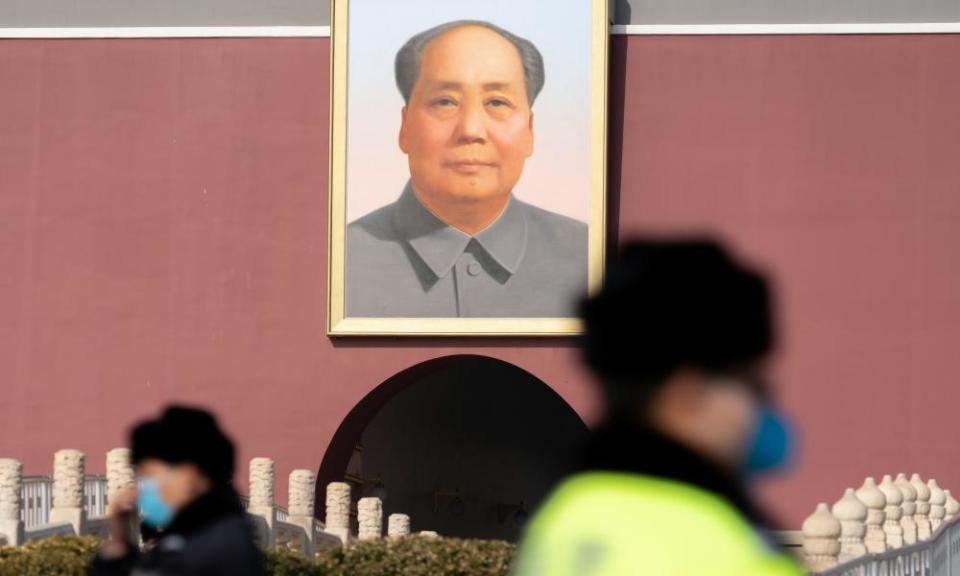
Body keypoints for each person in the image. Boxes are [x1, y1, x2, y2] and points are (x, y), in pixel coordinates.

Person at [512, 239, 803, 575]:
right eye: (752, 386)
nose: (764, 405)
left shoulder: (564, 517)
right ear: (687, 393)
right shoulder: (718, 543)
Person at [346, 20, 587, 318]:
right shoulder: (341, 262)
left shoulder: (589, 258)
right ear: (405, 127)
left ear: (529, 131)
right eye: (446, 102)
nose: (471, 129)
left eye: (497, 102)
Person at [89, 405, 267, 576]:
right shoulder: (193, 535)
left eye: (150, 476)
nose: (142, 490)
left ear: (188, 476)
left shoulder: (216, 547)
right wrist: (120, 542)